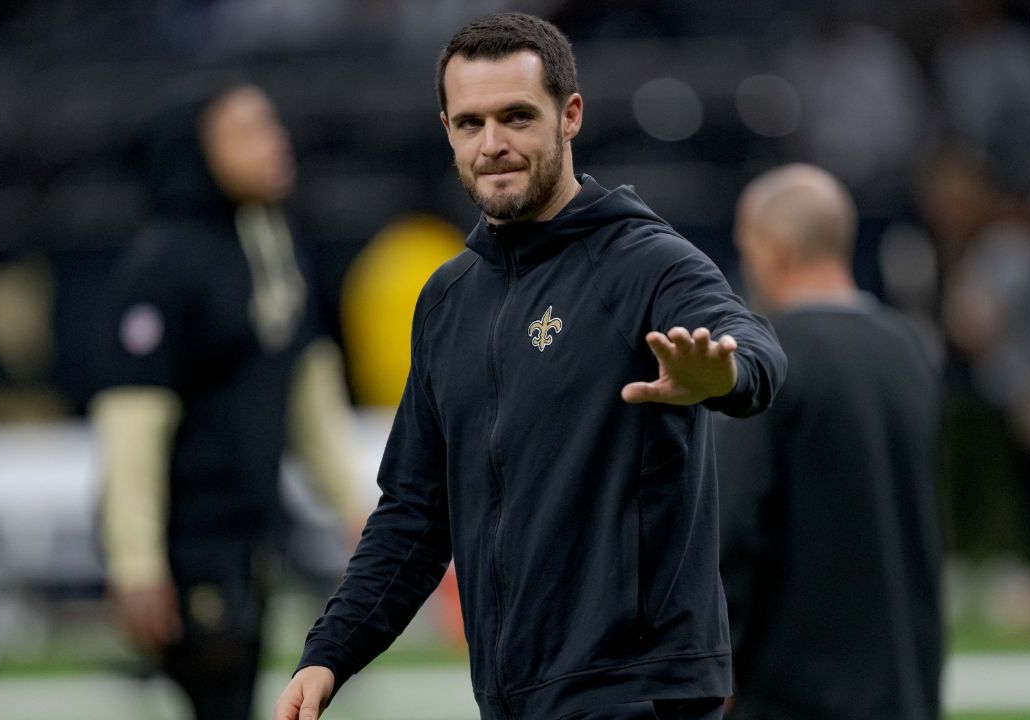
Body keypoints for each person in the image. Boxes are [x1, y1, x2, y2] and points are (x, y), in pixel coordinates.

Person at [273, 12, 785, 720]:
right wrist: (329, 654)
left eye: (517, 116)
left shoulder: (645, 261)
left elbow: (751, 343)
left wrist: (725, 377)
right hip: (514, 701)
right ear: (446, 129)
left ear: (569, 115)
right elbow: (416, 516)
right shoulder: (448, 298)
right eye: (470, 122)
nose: (493, 144)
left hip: (638, 697)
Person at [90, 81, 358, 720]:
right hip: (192, 536)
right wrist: (135, 563)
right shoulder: (163, 262)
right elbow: (131, 429)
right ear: (198, 153)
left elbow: (309, 393)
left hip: (251, 531)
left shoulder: (275, 243)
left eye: (272, 126)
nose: (276, 144)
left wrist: (356, 507)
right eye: (247, 133)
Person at [715, 164, 943, 720]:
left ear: (774, 250)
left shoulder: (770, 358)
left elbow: (733, 525)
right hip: (904, 683)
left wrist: (713, 661)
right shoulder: (908, 349)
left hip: (793, 690)